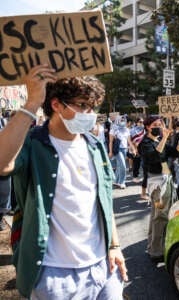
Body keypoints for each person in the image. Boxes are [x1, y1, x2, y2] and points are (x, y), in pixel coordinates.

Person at [0, 65, 127, 299]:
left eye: (92, 107)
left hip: (103, 269)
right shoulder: (32, 143)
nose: (89, 113)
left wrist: (114, 246)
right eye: (81, 105)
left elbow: (105, 202)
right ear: (57, 105)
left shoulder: (95, 145)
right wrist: (32, 103)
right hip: (53, 275)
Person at [138, 115, 179, 262]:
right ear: (147, 127)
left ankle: (153, 246)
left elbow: (176, 152)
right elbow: (155, 156)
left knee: (157, 215)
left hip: (166, 179)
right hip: (157, 184)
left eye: (160, 124)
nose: (158, 127)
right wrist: (164, 138)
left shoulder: (157, 140)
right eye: (155, 124)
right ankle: (156, 251)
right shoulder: (145, 143)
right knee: (160, 216)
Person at [109, 115, 135, 189]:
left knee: (119, 165)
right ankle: (122, 182)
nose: (123, 121)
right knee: (123, 165)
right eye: (121, 120)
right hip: (117, 149)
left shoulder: (127, 129)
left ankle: (116, 181)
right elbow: (110, 142)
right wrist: (110, 152)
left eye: (124, 120)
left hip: (124, 149)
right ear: (117, 120)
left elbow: (129, 141)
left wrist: (133, 148)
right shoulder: (113, 129)